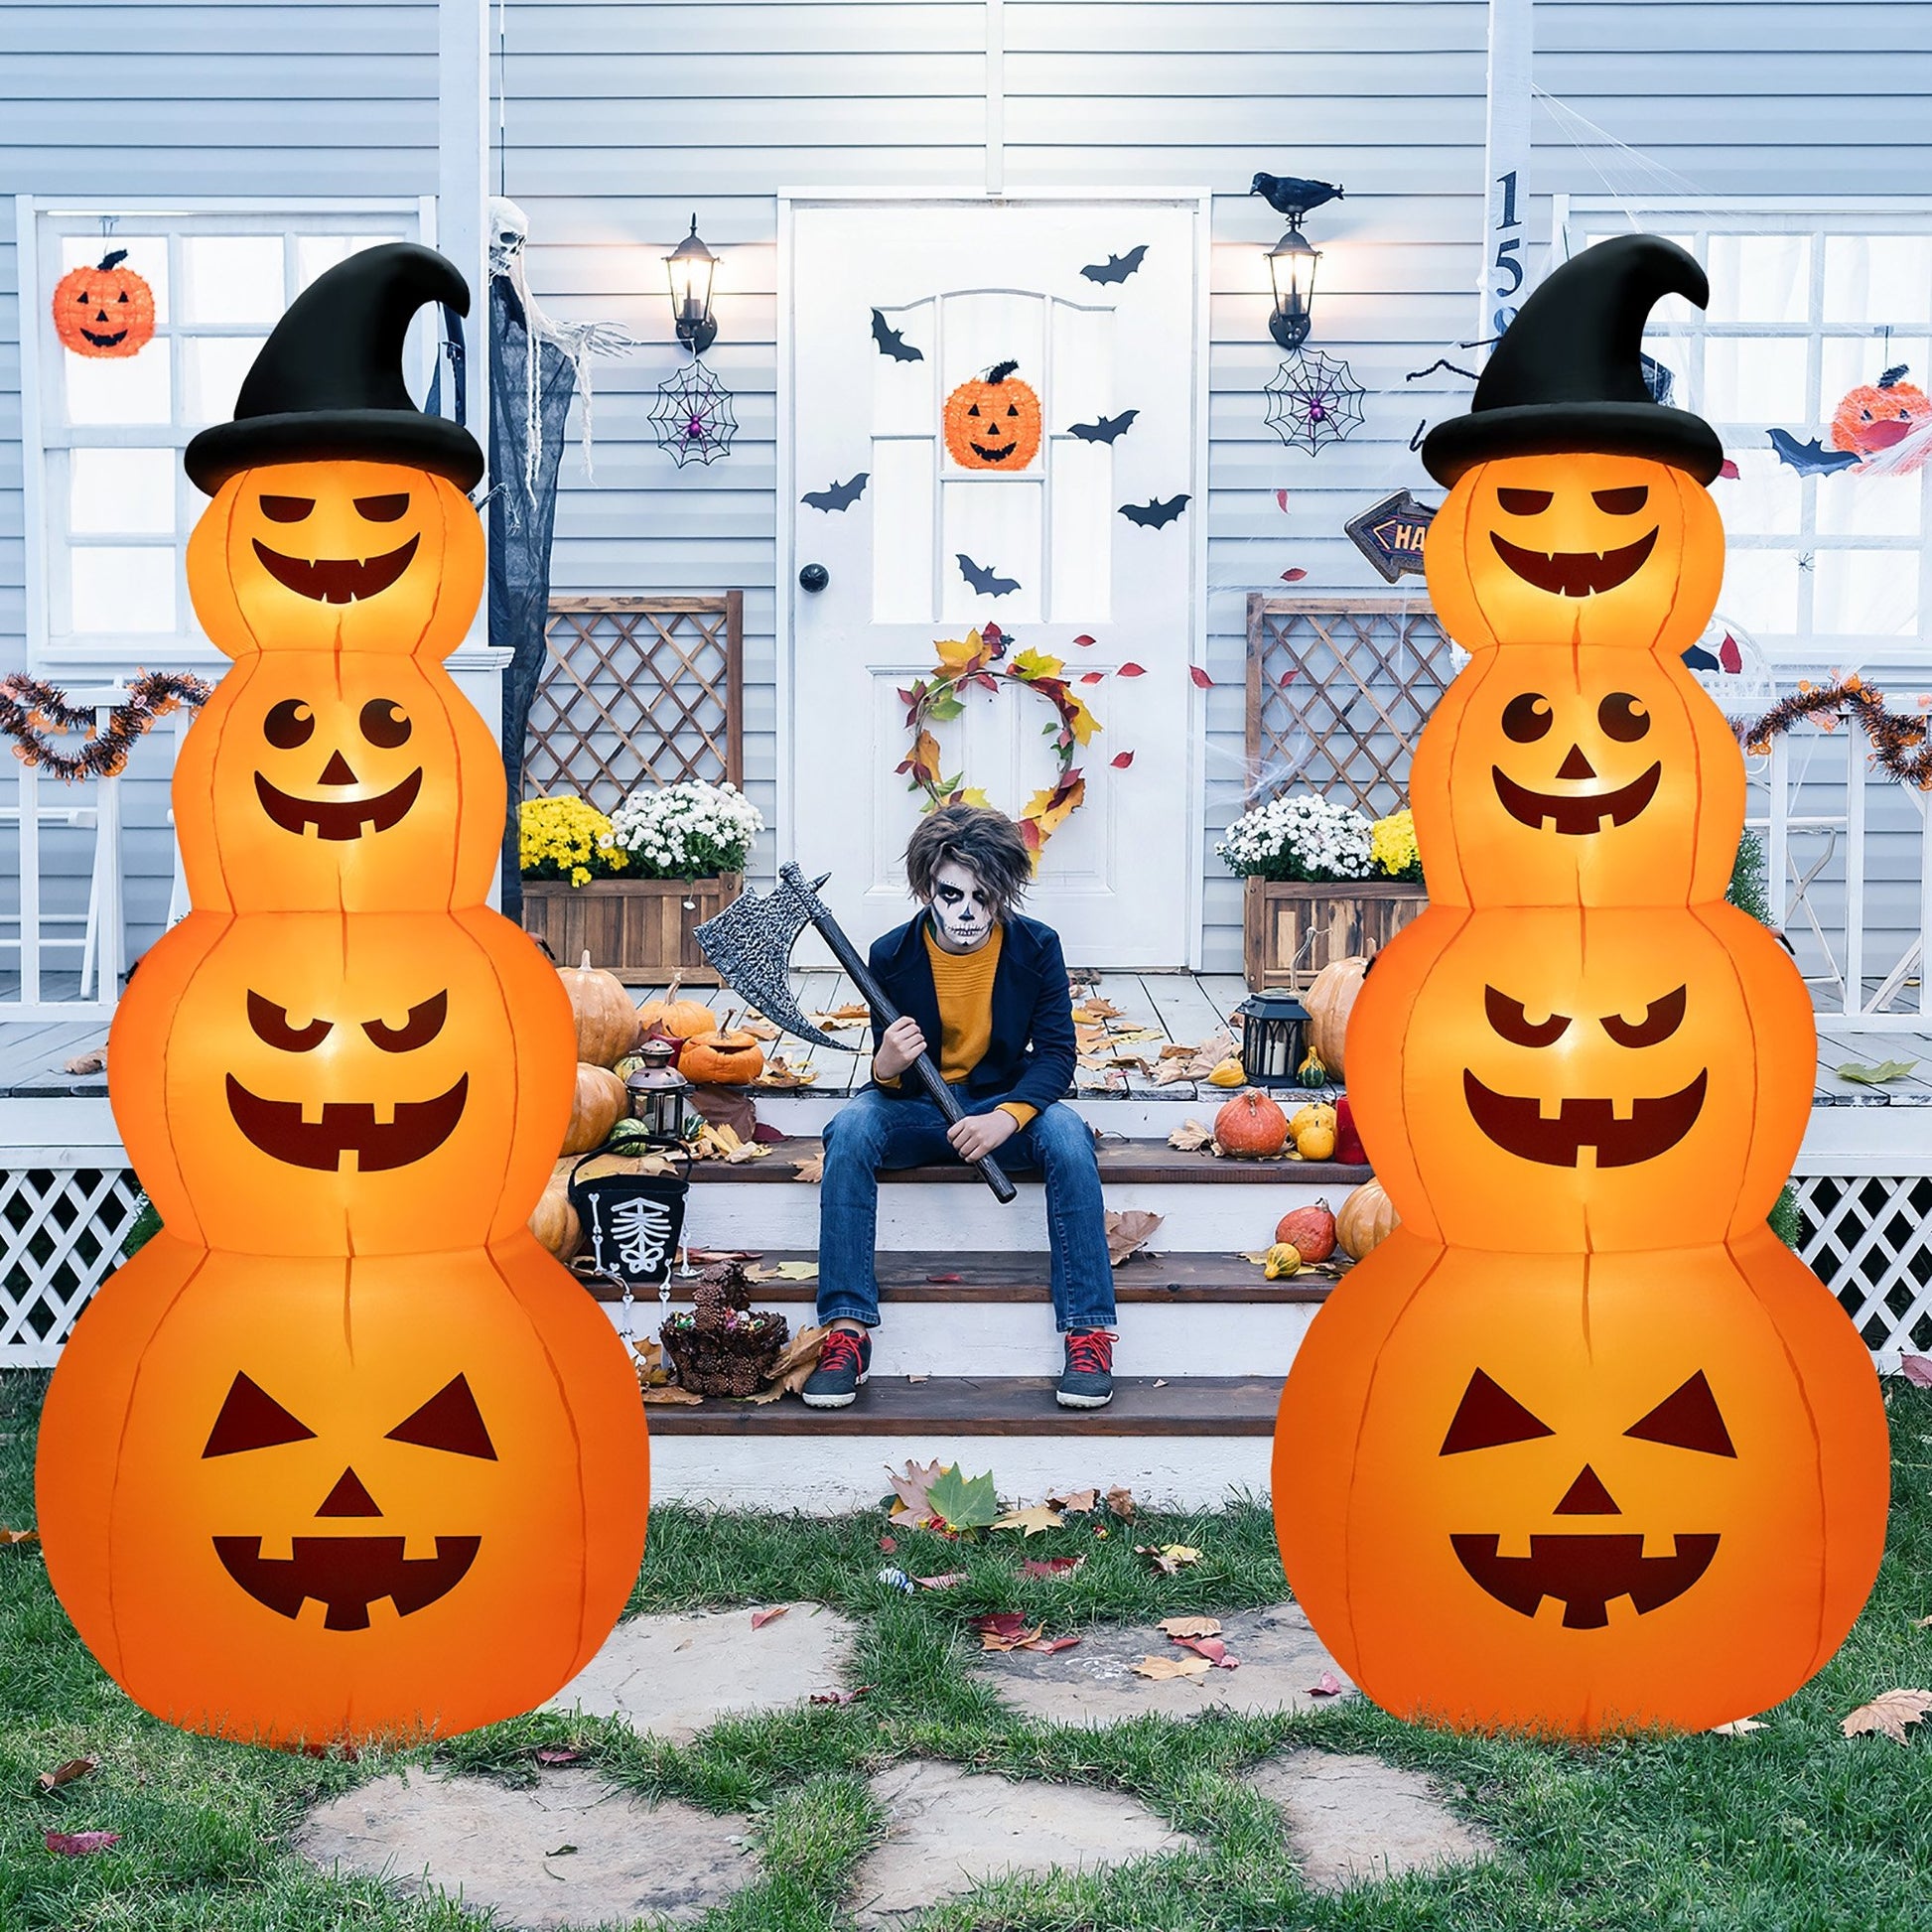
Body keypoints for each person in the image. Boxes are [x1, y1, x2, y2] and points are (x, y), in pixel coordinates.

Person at [801, 805, 1117, 1411]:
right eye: (951, 894)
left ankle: (1088, 1332)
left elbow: (1056, 1056)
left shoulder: (1037, 947)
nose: (967, 911)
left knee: (1070, 1135)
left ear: (1003, 893)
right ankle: (846, 1329)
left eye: (984, 895)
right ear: (927, 889)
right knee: (850, 1126)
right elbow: (888, 1078)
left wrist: (1006, 1118)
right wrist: (884, 1066)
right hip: (921, 1109)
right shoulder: (890, 955)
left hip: (1002, 1103)